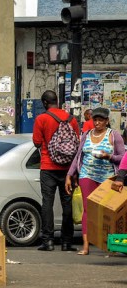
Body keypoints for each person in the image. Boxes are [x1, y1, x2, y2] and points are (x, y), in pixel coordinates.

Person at [66, 107, 124, 255]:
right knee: (87, 209)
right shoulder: (86, 135)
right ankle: (86, 246)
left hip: (107, 177)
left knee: (109, 211)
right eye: (95, 120)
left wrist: (108, 157)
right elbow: (79, 155)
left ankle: (111, 246)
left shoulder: (114, 135)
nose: (97, 123)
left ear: (106, 121)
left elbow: (123, 158)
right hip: (87, 174)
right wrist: (69, 175)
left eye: (100, 120)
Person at [32, 89, 80, 251]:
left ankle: (48, 241)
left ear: (45, 103)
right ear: (57, 101)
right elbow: (77, 143)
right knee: (67, 204)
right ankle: (67, 242)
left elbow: (37, 142)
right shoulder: (71, 119)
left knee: (47, 204)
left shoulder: (41, 119)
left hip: (48, 167)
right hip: (68, 169)